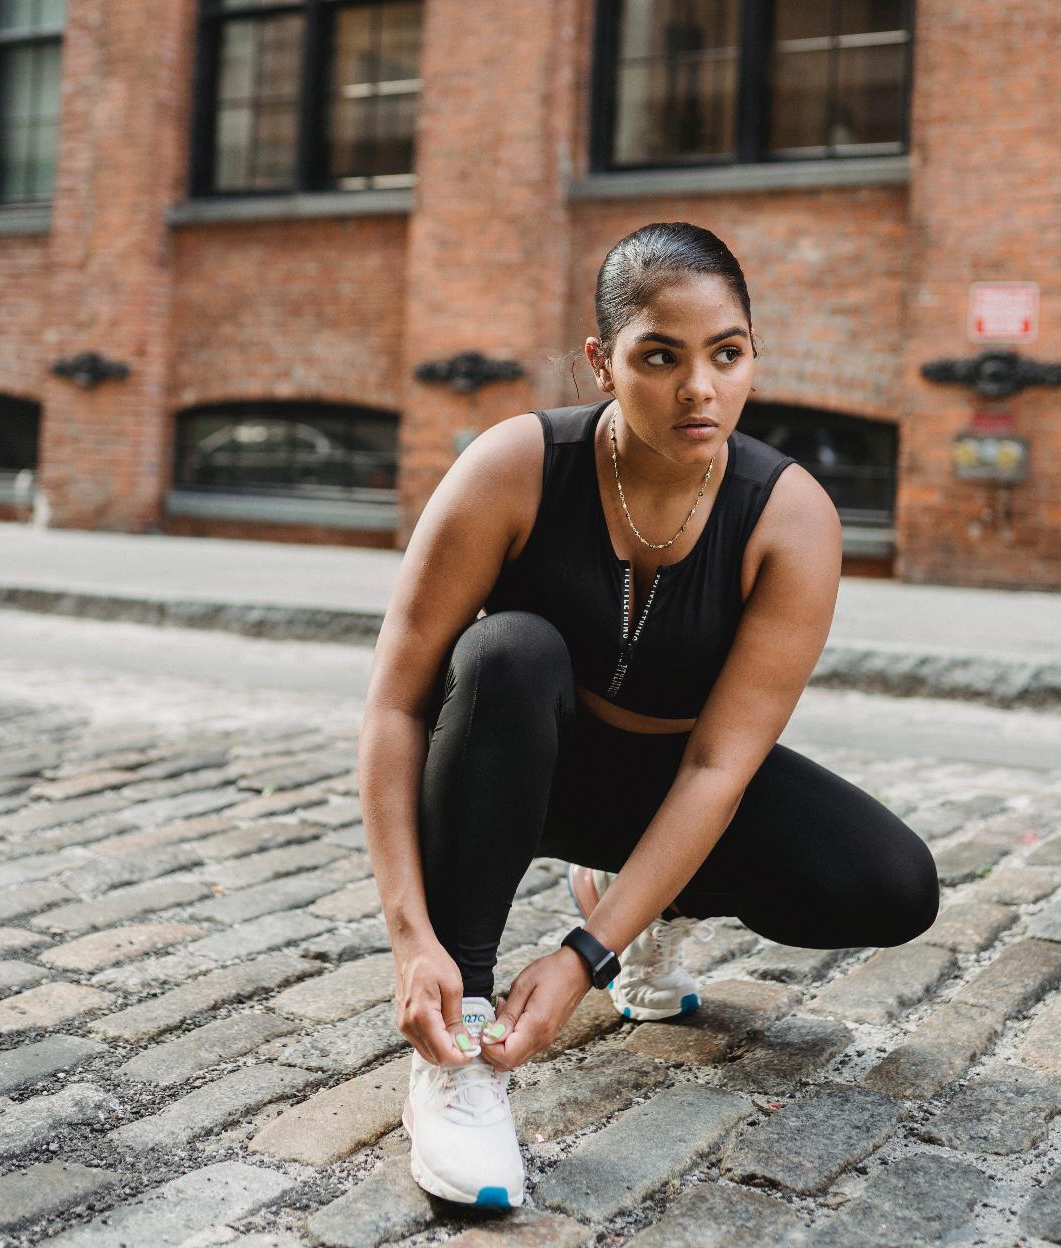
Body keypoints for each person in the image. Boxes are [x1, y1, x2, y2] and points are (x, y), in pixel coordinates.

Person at [358, 221, 940, 1209]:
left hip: (673, 787)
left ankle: (643, 901)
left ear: (752, 354)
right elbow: (394, 708)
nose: (699, 390)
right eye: (660, 357)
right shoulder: (513, 470)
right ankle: (456, 1056)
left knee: (893, 885)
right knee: (507, 653)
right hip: (509, 767)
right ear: (602, 360)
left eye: (727, 354)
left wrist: (590, 957)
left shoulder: (790, 520)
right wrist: (413, 941)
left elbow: (720, 767)